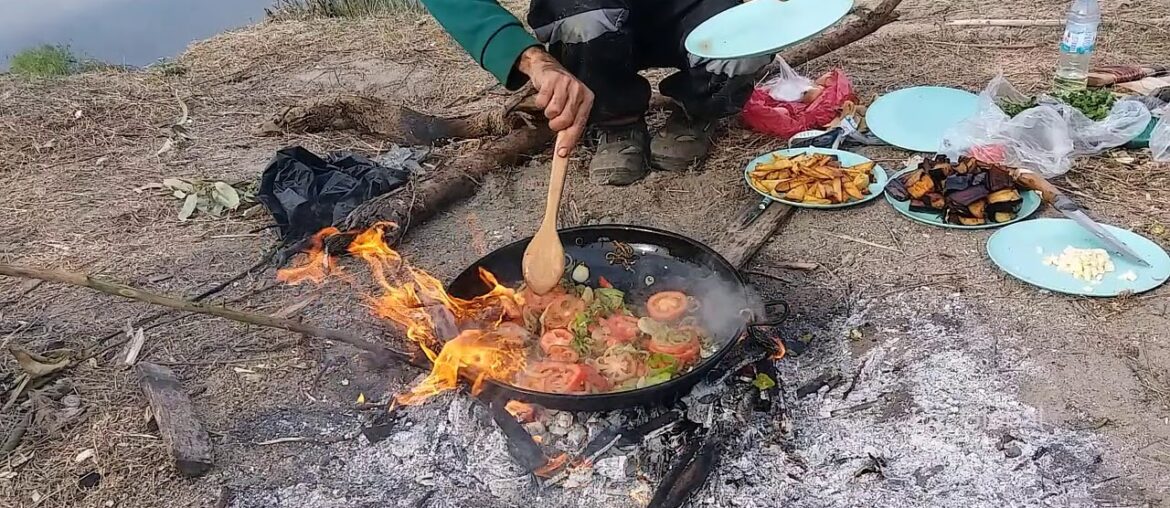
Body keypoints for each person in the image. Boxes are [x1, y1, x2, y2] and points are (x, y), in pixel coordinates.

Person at [419, 0, 772, 185]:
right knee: (580, 18)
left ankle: (699, 108)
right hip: (590, 12)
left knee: (751, 35)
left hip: (695, 7)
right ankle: (616, 120)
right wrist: (533, 60)